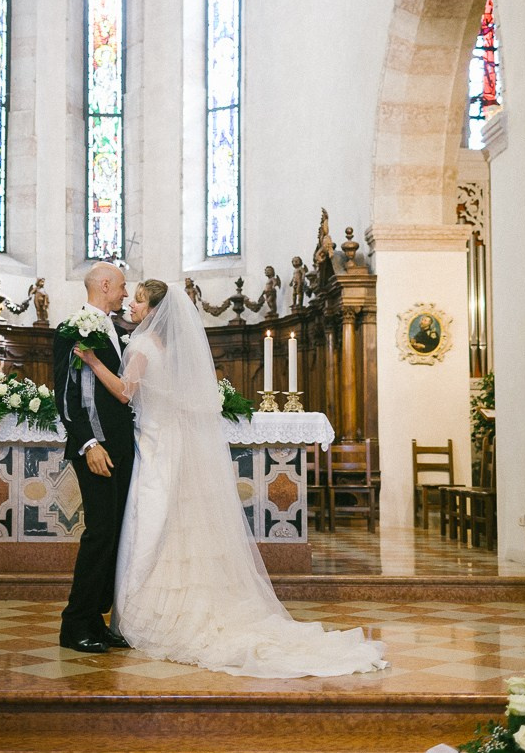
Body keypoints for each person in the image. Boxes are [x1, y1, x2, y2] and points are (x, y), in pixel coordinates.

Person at [75, 280, 387, 679]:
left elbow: (125, 392)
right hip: (168, 442)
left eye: (137, 300)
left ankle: (150, 613)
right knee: (175, 526)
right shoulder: (169, 348)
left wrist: (93, 362)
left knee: (152, 525)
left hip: (154, 447)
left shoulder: (141, 346)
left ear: (153, 309)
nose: (131, 306)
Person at [53, 262, 134, 654]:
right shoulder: (73, 328)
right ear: (105, 284)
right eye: (121, 286)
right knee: (99, 533)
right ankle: (75, 623)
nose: (125, 293)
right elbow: (66, 397)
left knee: (115, 532)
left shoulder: (115, 329)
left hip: (121, 446)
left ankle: (97, 622)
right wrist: (88, 444)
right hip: (97, 448)